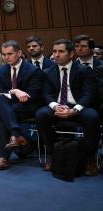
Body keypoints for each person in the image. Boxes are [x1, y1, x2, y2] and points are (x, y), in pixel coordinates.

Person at [35, 39, 99, 175]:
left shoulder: (84, 70)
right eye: (54, 51)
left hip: (79, 106)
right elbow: (46, 94)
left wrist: (75, 110)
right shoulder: (48, 71)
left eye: (61, 51)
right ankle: (54, 154)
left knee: (92, 116)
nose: (57, 55)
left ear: (71, 54)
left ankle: (90, 158)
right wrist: (56, 106)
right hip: (58, 106)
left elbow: (89, 94)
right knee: (41, 114)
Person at [0, 40, 44, 170]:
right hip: (9, 105)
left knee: (1, 113)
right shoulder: (1, 70)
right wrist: (14, 90)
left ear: (19, 53)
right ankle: (16, 136)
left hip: (28, 106)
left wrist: (13, 94)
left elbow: (33, 95)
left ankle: (3, 156)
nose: (6, 57)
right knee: (0, 100)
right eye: (4, 54)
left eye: (9, 54)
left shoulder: (33, 70)